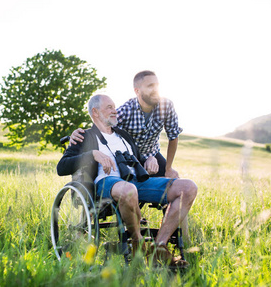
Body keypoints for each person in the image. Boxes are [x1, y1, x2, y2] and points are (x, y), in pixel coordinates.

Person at [57, 94, 197, 267]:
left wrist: (150, 158)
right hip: (106, 183)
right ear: (95, 112)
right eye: (109, 107)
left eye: (114, 107)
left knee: (188, 187)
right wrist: (92, 154)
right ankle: (138, 242)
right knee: (128, 189)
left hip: (137, 181)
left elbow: (139, 157)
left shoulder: (123, 135)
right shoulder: (84, 136)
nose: (115, 111)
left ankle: (159, 246)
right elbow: (61, 167)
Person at [70, 70, 182, 179]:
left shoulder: (166, 106)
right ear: (137, 91)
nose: (155, 90)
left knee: (175, 184)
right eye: (150, 86)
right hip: (130, 157)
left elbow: (173, 136)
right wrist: (80, 134)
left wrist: (168, 168)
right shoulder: (126, 111)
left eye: (157, 85)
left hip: (152, 154)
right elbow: (101, 125)